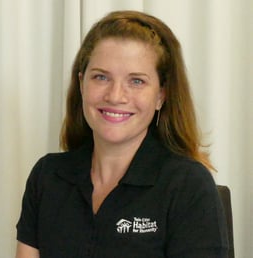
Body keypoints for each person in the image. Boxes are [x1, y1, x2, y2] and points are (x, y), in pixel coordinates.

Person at [16, 10, 229, 258]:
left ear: (161, 95)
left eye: (136, 81)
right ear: (82, 84)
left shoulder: (187, 185)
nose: (116, 96)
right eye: (101, 77)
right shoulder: (47, 176)